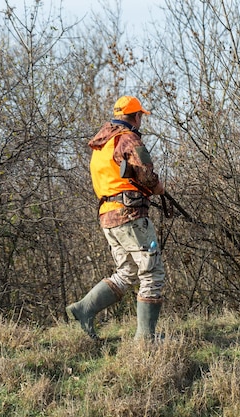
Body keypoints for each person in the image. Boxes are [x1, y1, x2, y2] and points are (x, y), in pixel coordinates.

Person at [66, 96, 165, 340]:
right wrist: (158, 188)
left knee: (126, 273)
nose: (141, 121)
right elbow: (146, 174)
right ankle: (146, 341)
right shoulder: (128, 138)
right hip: (130, 214)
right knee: (152, 273)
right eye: (141, 116)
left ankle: (84, 310)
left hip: (108, 216)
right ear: (136, 116)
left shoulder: (101, 143)